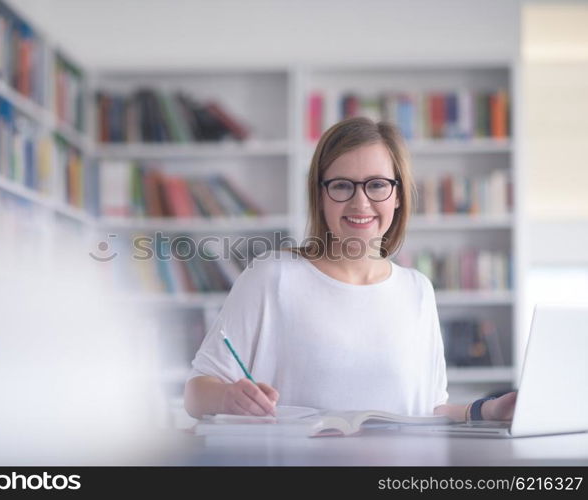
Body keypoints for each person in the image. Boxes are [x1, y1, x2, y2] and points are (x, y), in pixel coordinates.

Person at [184, 117, 517, 422]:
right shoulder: (273, 276)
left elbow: (425, 409)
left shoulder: (417, 290)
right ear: (321, 195)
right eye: (342, 185)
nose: (360, 202)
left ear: (398, 195)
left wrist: (487, 410)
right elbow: (196, 395)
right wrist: (228, 397)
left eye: (376, 185)